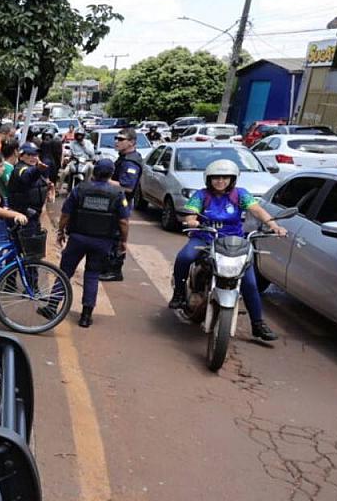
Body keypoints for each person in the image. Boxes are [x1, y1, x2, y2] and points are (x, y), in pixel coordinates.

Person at [170, 159, 286, 342]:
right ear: (209, 179)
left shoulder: (240, 194)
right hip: (206, 237)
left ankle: (257, 324)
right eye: (216, 178)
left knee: (250, 283)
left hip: (234, 242)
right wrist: (192, 221)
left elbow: (256, 210)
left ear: (232, 179)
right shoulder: (201, 195)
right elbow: (190, 213)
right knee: (184, 257)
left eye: (225, 178)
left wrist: (274, 226)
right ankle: (178, 294)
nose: (220, 181)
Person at [57, 159, 130, 328]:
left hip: (77, 238)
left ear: (94, 171)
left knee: (65, 271)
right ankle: (86, 316)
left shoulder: (80, 188)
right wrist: (123, 241)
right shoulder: (118, 193)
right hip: (102, 241)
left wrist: (60, 231)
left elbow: (66, 213)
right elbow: (124, 221)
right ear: (111, 174)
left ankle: (52, 306)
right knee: (92, 275)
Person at [100, 128, 145, 281]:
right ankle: (107, 266)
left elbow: (128, 186)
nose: (116, 142)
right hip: (115, 201)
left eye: (121, 139)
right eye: (116, 138)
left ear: (131, 142)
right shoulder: (124, 158)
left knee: (117, 234)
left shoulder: (131, 162)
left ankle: (114, 270)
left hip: (122, 202)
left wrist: (104, 180)